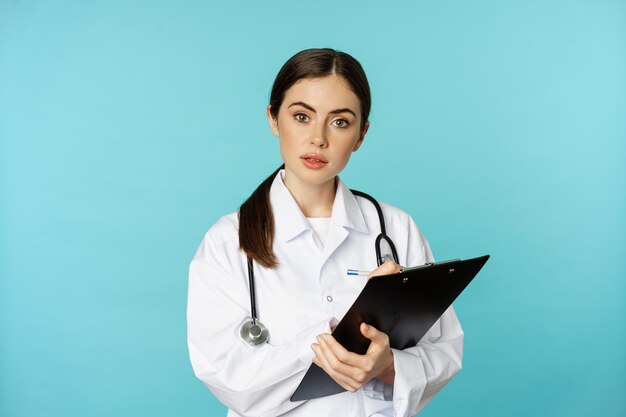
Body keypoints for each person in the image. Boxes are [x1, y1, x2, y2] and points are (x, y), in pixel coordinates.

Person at [187, 48, 463, 417]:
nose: (317, 138)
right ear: (273, 119)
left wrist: (387, 367)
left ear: (361, 134)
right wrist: (347, 327)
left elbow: (445, 350)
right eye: (302, 116)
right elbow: (228, 380)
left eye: (340, 122)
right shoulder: (227, 241)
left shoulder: (395, 229)